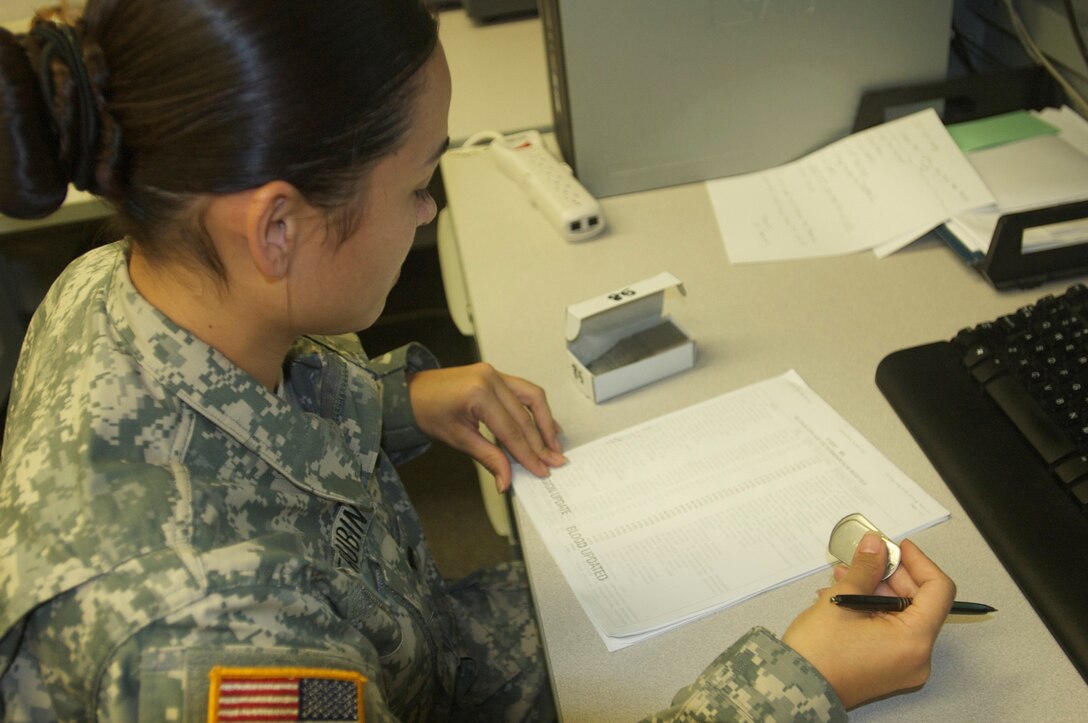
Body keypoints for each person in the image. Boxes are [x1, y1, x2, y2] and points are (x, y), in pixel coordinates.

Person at [0, 1, 956, 720]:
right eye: (419, 184)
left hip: (417, 643)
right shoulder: (213, 641)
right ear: (277, 228)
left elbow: (227, 432)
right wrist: (800, 687)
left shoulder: (116, 281)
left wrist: (396, 399)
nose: (430, 213)